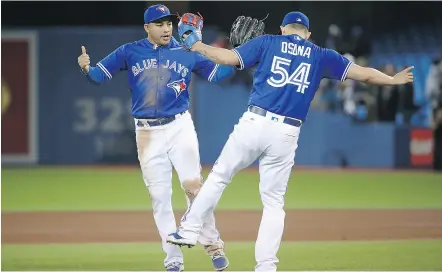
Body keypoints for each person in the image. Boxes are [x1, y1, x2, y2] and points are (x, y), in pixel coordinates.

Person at [166, 11, 414, 271]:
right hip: (287, 132)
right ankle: (266, 265)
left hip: (255, 122)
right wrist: (392, 79)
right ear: (308, 34)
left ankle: (190, 230)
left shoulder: (268, 42)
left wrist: (196, 45)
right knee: (273, 202)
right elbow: (364, 74)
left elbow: (227, 58)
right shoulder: (322, 55)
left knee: (219, 177)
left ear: (283, 29)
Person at [77, 4, 242, 272]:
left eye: (169, 24)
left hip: (179, 127)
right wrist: (86, 69)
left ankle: (213, 246)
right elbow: (98, 76)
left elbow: (220, 75)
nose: (166, 28)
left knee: (194, 189)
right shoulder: (129, 51)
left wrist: (237, 56)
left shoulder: (187, 51)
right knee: (160, 198)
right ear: (147, 28)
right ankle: (173, 259)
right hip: (147, 133)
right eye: (160, 24)